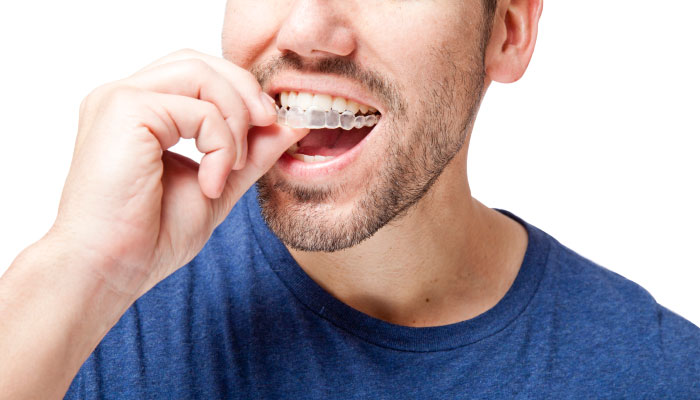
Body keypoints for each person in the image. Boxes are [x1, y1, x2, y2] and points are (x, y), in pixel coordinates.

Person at [0, 0, 698, 398]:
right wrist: (82, 266)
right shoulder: (85, 321)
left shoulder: (664, 375)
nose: (305, 30)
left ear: (508, 31)